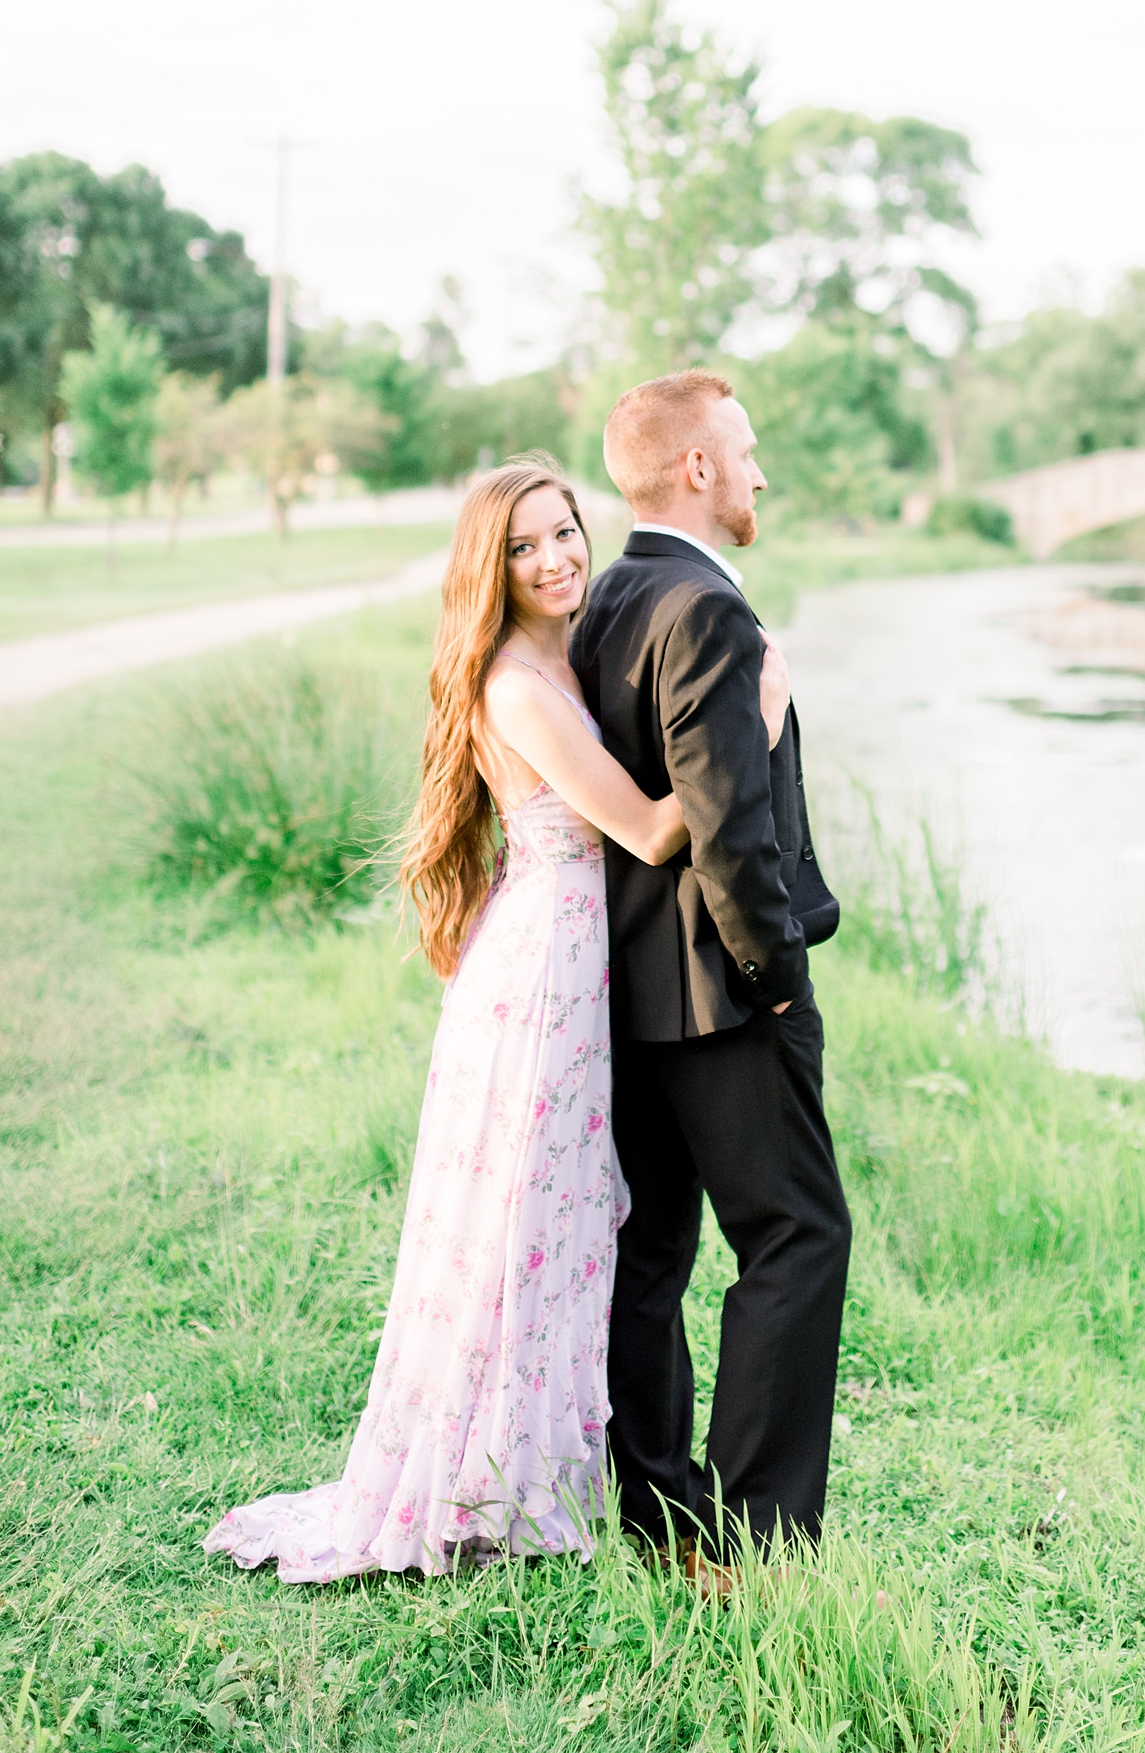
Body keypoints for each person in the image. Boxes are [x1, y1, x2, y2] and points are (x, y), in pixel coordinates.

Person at [202, 453, 791, 1581]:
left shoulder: (577, 647)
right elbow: (655, 831)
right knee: (530, 1218)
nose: (554, 557)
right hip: (549, 967)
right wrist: (755, 718)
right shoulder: (517, 682)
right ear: (493, 566)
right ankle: (487, 1478)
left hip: (581, 953)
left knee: (573, 1219)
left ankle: (544, 1461)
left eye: (564, 531)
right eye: (523, 547)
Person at [569, 371, 852, 1571]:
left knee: (651, 1259)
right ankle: (759, 1539)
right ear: (695, 468)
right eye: (743, 450)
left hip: (626, 996)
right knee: (795, 1239)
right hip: (728, 998)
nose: (759, 471)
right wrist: (776, 977)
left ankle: (660, 1512)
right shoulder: (708, 612)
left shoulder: (602, 601)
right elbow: (729, 828)